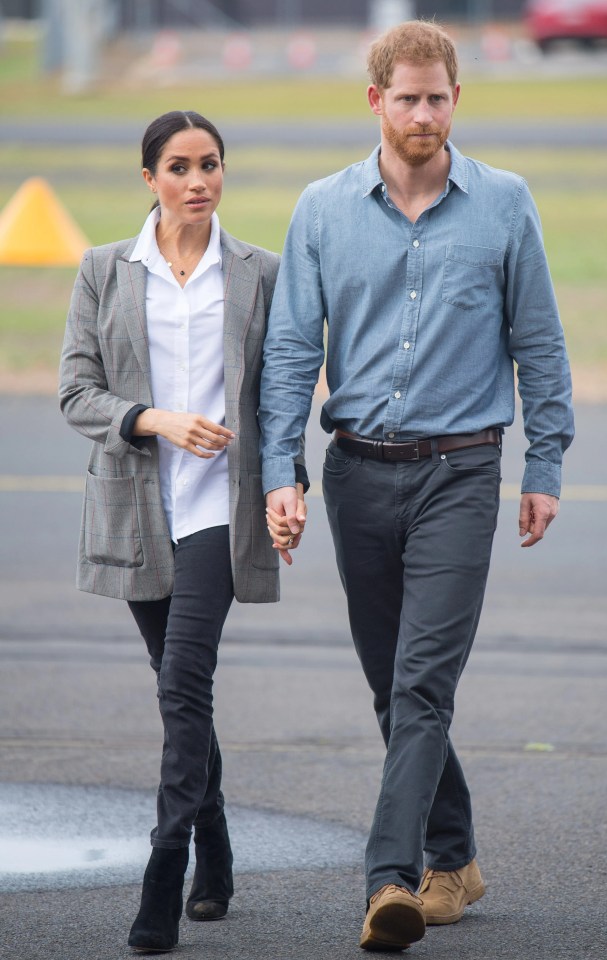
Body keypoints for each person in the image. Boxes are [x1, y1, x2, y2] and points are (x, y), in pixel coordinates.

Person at [259, 20, 574, 953]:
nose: (423, 113)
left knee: (423, 683)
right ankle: (457, 851)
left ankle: (392, 880)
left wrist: (543, 465)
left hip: (462, 473)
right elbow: (288, 352)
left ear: (455, 100)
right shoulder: (320, 209)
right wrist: (283, 472)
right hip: (356, 473)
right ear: (375, 102)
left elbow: (540, 346)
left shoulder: (505, 205)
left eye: (438, 97)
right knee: (392, 690)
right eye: (407, 97)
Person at [59, 110, 307, 954]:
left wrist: (287, 481)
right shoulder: (103, 270)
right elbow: (75, 393)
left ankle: (162, 872)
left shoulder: (260, 272)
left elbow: (281, 395)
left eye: (210, 164)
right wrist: (153, 418)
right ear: (149, 180)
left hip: (219, 511)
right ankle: (218, 849)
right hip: (136, 510)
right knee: (182, 688)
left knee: (181, 686)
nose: (197, 180)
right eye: (178, 166)